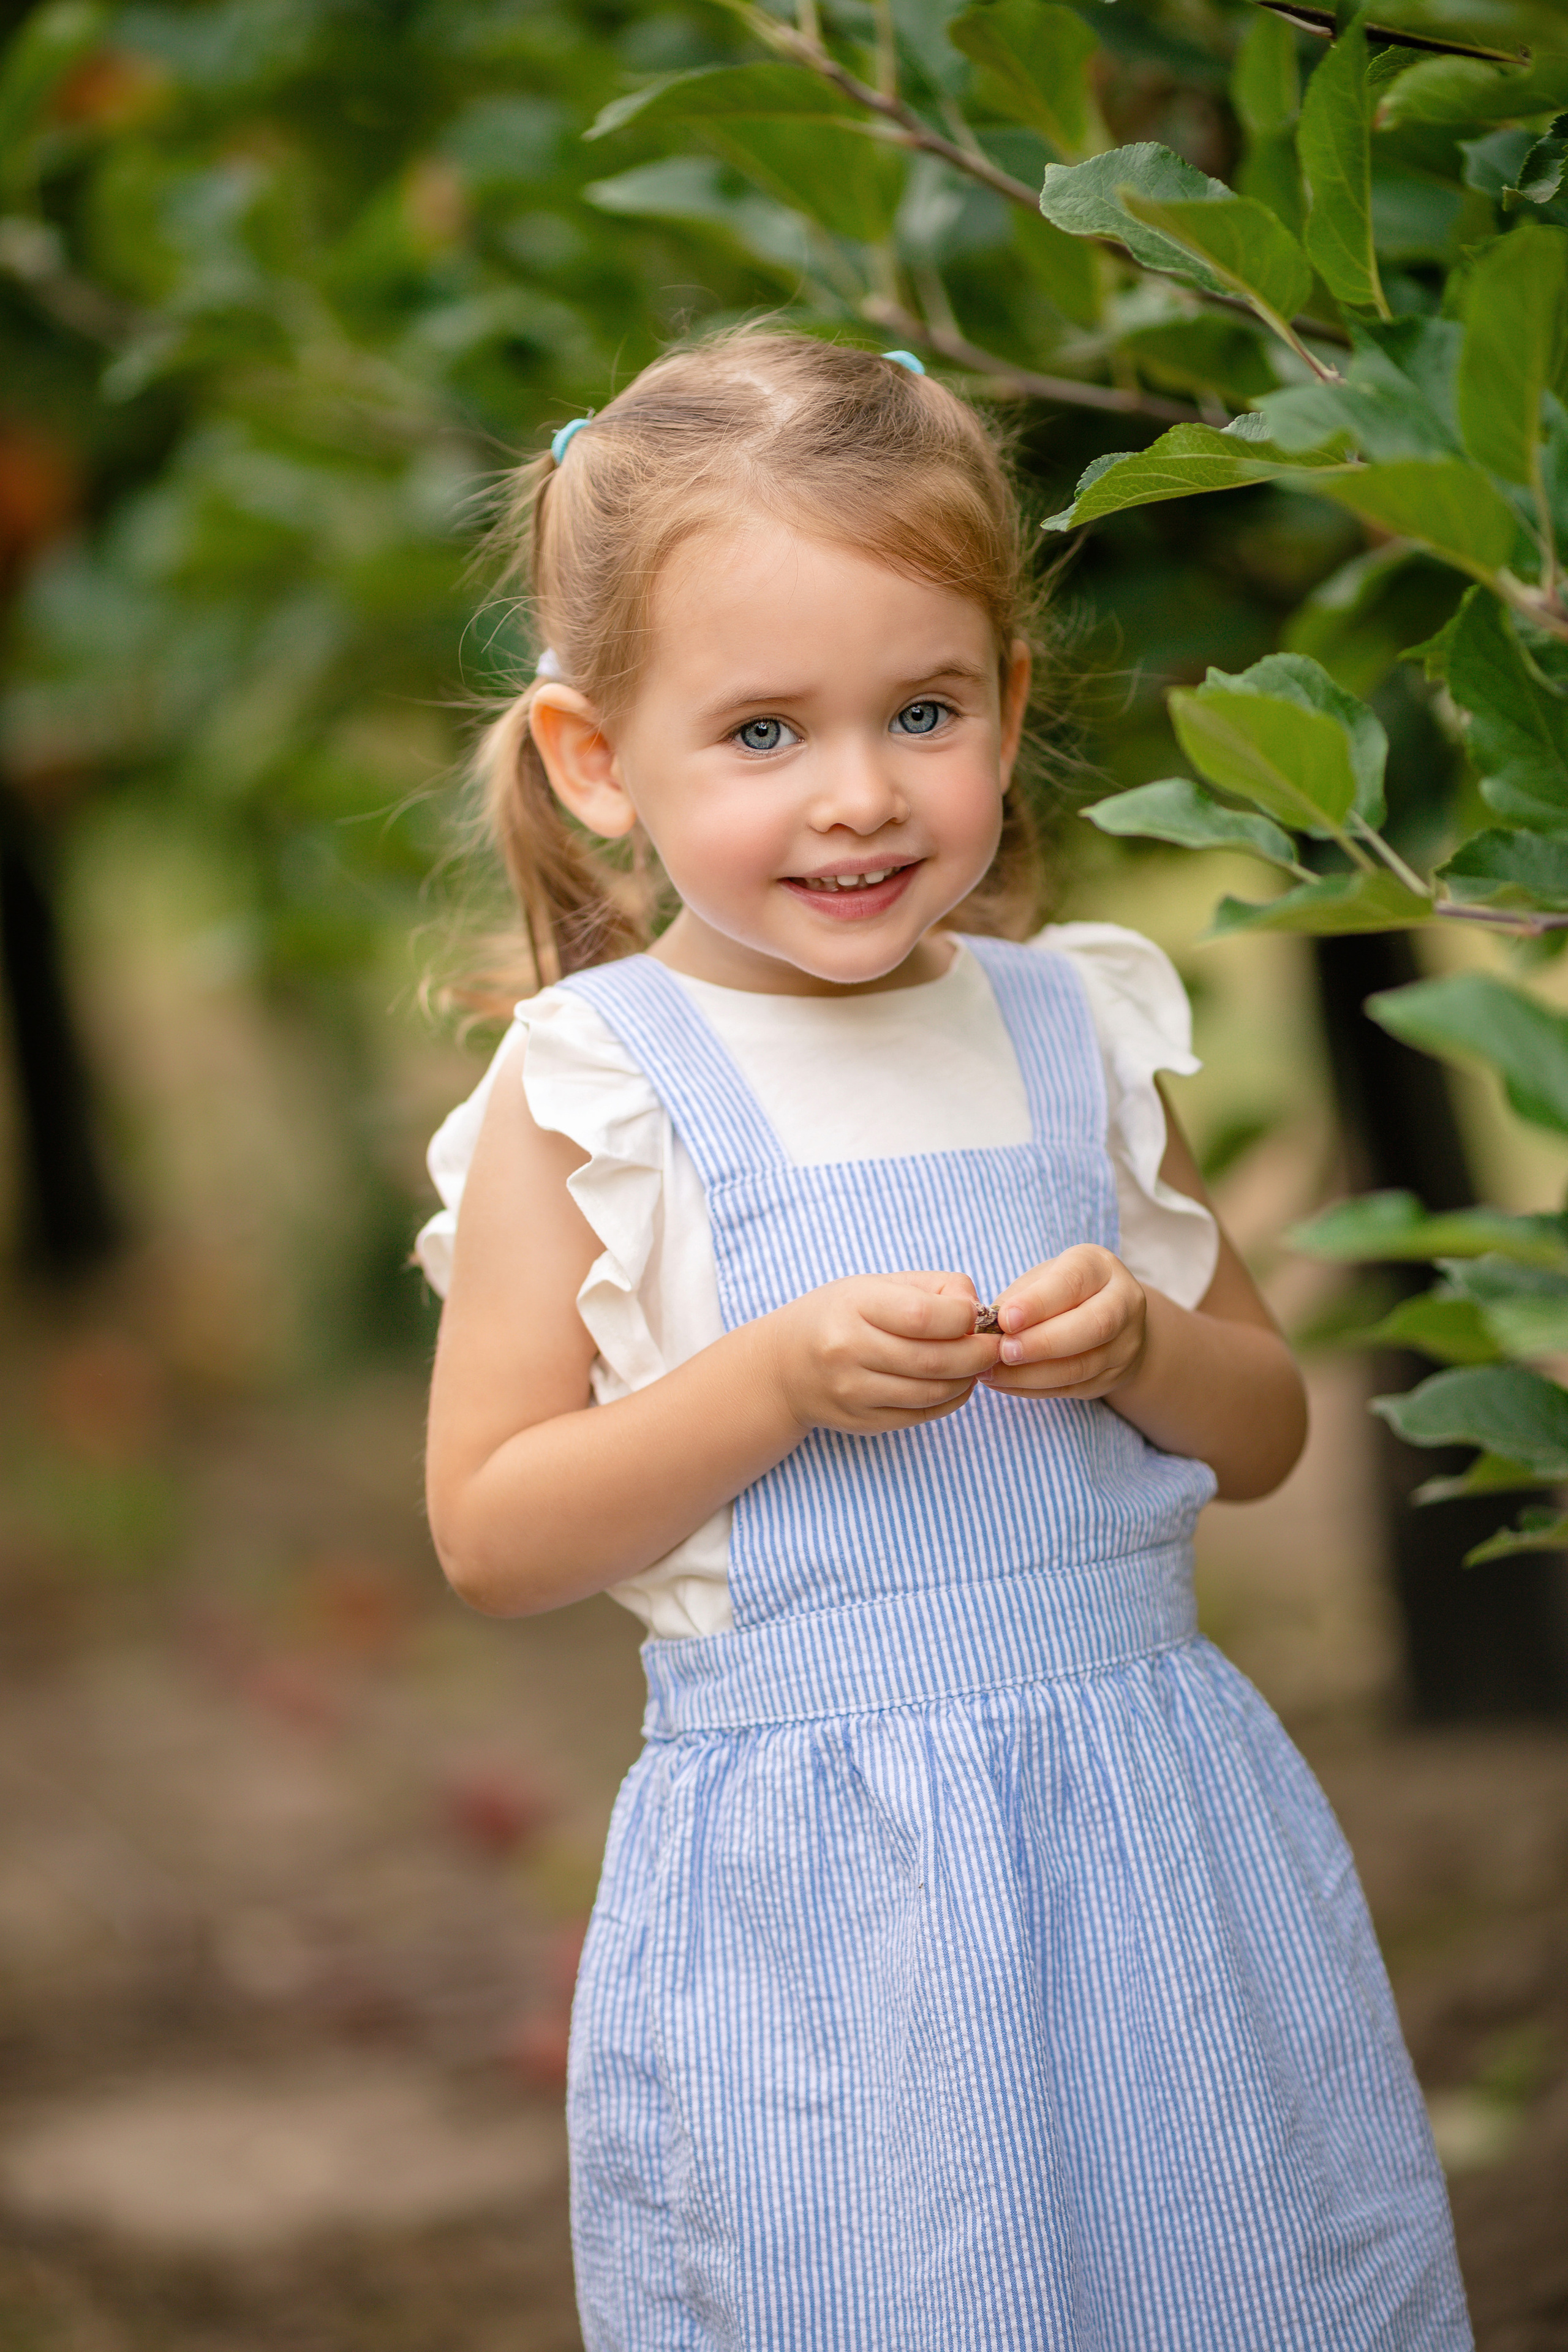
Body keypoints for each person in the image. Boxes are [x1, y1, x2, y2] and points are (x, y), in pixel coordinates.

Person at [418, 331, 1469, 2350]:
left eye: (925, 709)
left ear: (1008, 695)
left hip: (1157, 1838)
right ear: (593, 757)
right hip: (831, 1903)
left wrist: (1144, 1348)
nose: (863, 797)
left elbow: (1258, 1435)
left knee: (1239, 2273)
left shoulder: (1078, 1021)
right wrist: (768, 1383)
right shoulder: (596, 1090)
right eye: (762, 734)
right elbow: (492, 1526)